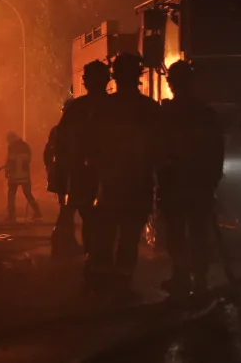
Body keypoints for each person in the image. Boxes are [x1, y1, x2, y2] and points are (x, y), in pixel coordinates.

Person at [88, 53, 160, 298]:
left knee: (106, 234)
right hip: (138, 185)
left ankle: (100, 282)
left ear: (114, 76)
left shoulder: (104, 108)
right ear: (138, 75)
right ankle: (121, 283)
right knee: (129, 236)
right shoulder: (149, 109)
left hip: (110, 184)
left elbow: (92, 148)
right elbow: (159, 149)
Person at [158, 60, 225, 296]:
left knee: (177, 231)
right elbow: (217, 151)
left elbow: (157, 149)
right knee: (198, 230)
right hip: (198, 184)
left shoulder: (166, 114)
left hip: (174, 184)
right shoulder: (207, 114)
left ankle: (181, 275)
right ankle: (199, 277)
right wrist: (212, 179)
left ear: (171, 83)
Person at [56, 61, 111, 280]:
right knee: (107, 224)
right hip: (111, 177)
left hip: (85, 178)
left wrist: (63, 182)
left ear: (85, 81)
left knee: (91, 222)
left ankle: (95, 264)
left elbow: (62, 147)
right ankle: (105, 267)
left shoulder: (76, 110)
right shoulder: (116, 107)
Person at [46, 98, 81, 258]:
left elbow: (47, 154)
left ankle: (62, 241)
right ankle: (64, 241)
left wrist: (51, 172)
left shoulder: (57, 130)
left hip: (62, 176)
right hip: (71, 176)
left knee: (66, 209)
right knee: (68, 210)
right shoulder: (75, 131)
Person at [0, 131, 42, 222]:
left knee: (11, 195)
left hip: (14, 176)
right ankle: (37, 212)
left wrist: (7, 171)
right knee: (28, 194)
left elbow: (10, 161)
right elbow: (27, 160)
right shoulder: (25, 146)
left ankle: (11, 216)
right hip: (24, 175)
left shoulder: (11, 147)